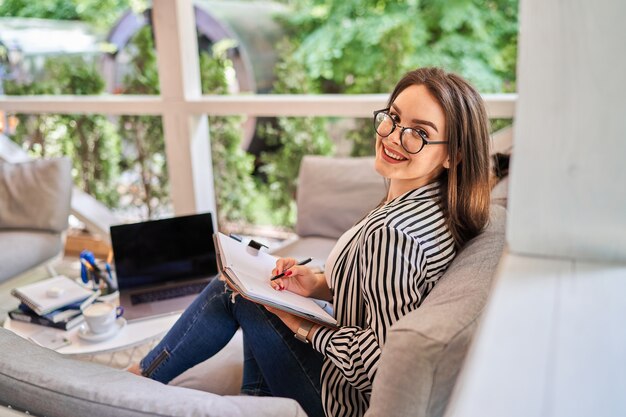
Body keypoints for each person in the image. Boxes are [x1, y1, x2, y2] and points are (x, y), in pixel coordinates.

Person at [128, 67, 492, 417]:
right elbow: (384, 297)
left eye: (419, 133)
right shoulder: (433, 205)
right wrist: (316, 285)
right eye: (393, 118)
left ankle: (130, 389)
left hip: (342, 402)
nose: (393, 136)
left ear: (453, 154)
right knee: (255, 280)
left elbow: (379, 365)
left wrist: (303, 327)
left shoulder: (395, 233)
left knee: (236, 290)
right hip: (343, 380)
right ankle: (253, 400)